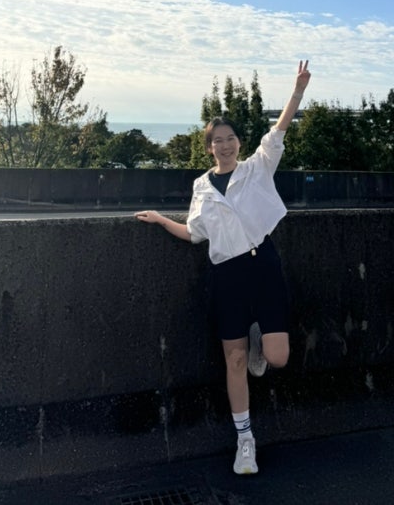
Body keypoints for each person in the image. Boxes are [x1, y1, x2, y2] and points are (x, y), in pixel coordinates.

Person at [135, 60, 311, 476]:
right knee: (234, 361)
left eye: (231, 138)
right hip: (227, 277)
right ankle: (245, 440)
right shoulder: (201, 186)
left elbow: (278, 132)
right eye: (218, 140)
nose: (226, 145)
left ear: (238, 143)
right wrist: (161, 220)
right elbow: (195, 233)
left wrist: (298, 91)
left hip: (263, 266)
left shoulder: (256, 168)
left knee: (277, 357)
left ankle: (259, 338)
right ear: (209, 147)